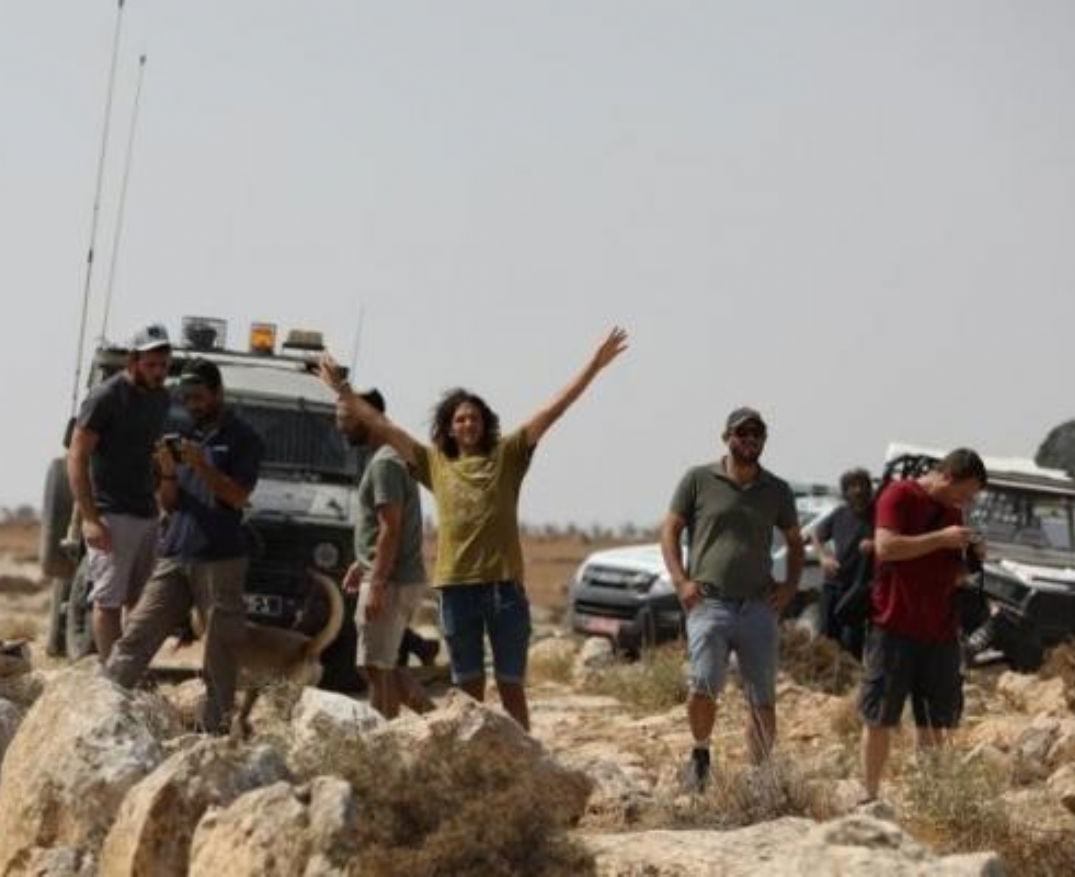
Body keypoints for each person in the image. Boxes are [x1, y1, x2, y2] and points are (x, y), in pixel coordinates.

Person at [320, 328, 629, 730]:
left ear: (485, 424)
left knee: (511, 685)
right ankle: (475, 757)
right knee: (468, 691)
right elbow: (383, 424)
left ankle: (523, 756)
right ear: (449, 428)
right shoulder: (434, 464)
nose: (468, 424)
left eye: (475, 418)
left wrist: (594, 365)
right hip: (456, 592)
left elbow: (554, 409)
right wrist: (342, 390)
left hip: (504, 592)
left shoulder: (508, 455)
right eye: (460, 419)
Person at [106, 359, 263, 735]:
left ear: (218, 393)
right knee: (136, 636)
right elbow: (170, 502)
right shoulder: (182, 434)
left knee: (220, 654)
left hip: (220, 559)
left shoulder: (244, 438)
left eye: (199, 396)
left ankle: (214, 737)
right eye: (187, 397)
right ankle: (102, 709)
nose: (192, 404)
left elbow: (237, 497)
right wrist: (167, 470)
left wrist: (201, 463)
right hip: (175, 554)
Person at [661, 407, 803, 791]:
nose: (750, 440)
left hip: (757, 607)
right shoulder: (698, 479)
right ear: (726, 437)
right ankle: (700, 754)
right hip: (709, 604)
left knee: (762, 697)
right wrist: (680, 581)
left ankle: (760, 776)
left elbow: (795, 541)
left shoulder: (776, 489)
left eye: (757, 434)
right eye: (743, 433)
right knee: (703, 686)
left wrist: (790, 586)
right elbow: (670, 529)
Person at [860, 448, 987, 802]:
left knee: (935, 721)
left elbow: (951, 573)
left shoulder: (952, 511)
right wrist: (941, 538)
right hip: (894, 626)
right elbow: (886, 547)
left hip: (940, 631)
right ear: (947, 476)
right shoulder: (899, 495)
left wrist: (972, 561)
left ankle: (929, 799)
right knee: (880, 716)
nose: (966, 502)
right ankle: (869, 795)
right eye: (964, 493)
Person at [67, 324, 172, 661]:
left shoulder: (161, 399)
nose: (158, 372)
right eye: (151, 365)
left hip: (147, 513)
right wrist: (90, 518)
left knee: (141, 602)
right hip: (111, 512)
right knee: (108, 600)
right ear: (133, 361)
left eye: (163, 365)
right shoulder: (106, 397)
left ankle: (130, 671)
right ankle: (113, 676)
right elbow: (77, 456)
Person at [338, 388, 430, 719]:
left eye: (346, 418)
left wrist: (376, 582)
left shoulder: (385, 464)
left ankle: (385, 736)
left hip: (391, 581)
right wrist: (362, 563)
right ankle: (434, 721)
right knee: (381, 666)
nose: (340, 426)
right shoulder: (389, 458)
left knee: (376, 668)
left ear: (368, 417)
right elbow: (383, 530)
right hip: (392, 576)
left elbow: (391, 528)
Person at [809, 468, 875, 658]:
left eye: (862, 484)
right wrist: (823, 557)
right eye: (852, 485)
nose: (858, 490)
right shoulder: (840, 513)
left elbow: (893, 539)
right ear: (845, 491)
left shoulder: (878, 515)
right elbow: (816, 535)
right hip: (832, 586)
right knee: (826, 642)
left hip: (857, 591)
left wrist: (876, 544)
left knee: (851, 645)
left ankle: (850, 675)